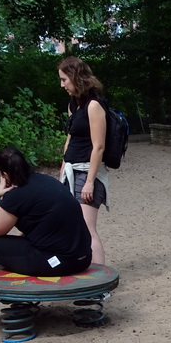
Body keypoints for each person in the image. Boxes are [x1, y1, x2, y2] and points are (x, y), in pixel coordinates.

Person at [0, 146, 92, 276]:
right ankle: (12, 261)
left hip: (60, 263)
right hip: (84, 258)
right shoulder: (48, 180)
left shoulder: (16, 195)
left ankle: (5, 262)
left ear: (4, 174)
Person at [59, 56, 108, 264]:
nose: (62, 85)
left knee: (87, 228)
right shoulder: (74, 105)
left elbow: (98, 146)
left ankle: (100, 284)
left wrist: (89, 181)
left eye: (64, 80)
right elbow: (69, 140)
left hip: (87, 172)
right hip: (71, 170)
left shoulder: (94, 106)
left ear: (75, 77)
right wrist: (62, 171)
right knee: (71, 225)